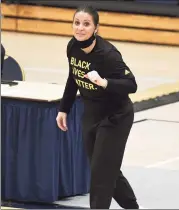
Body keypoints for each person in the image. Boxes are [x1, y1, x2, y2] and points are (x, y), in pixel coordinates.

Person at [56, 5, 139, 209]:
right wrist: (63, 108)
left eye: (86, 24)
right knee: (105, 167)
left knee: (101, 172)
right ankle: (132, 207)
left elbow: (132, 85)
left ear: (96, 28)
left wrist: (105, 83)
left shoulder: (109, 55)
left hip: (116, 116)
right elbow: (73, 77)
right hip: (91, 114)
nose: (80, 28)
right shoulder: (72, 47)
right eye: (77, 23)